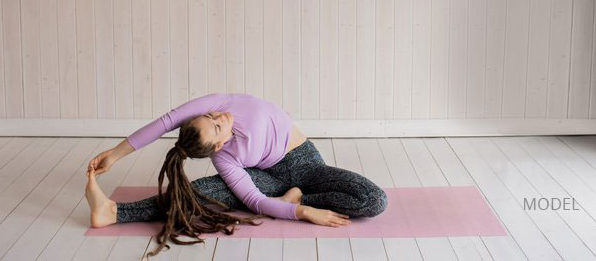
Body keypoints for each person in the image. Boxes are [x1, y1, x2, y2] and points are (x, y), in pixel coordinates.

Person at [84, 92, 387, 257]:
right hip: (267, 180)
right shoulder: (225, 159)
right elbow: (255, 201)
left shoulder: (219, 103)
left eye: (210, 116)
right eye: (216, 126)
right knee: (205, 190)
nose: (219, 117)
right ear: (217, 144)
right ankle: (113, 212)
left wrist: (114, 153)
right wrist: (302, 211)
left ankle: (295, 193)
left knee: (374, 200)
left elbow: (165, 122)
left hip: (307, 165)